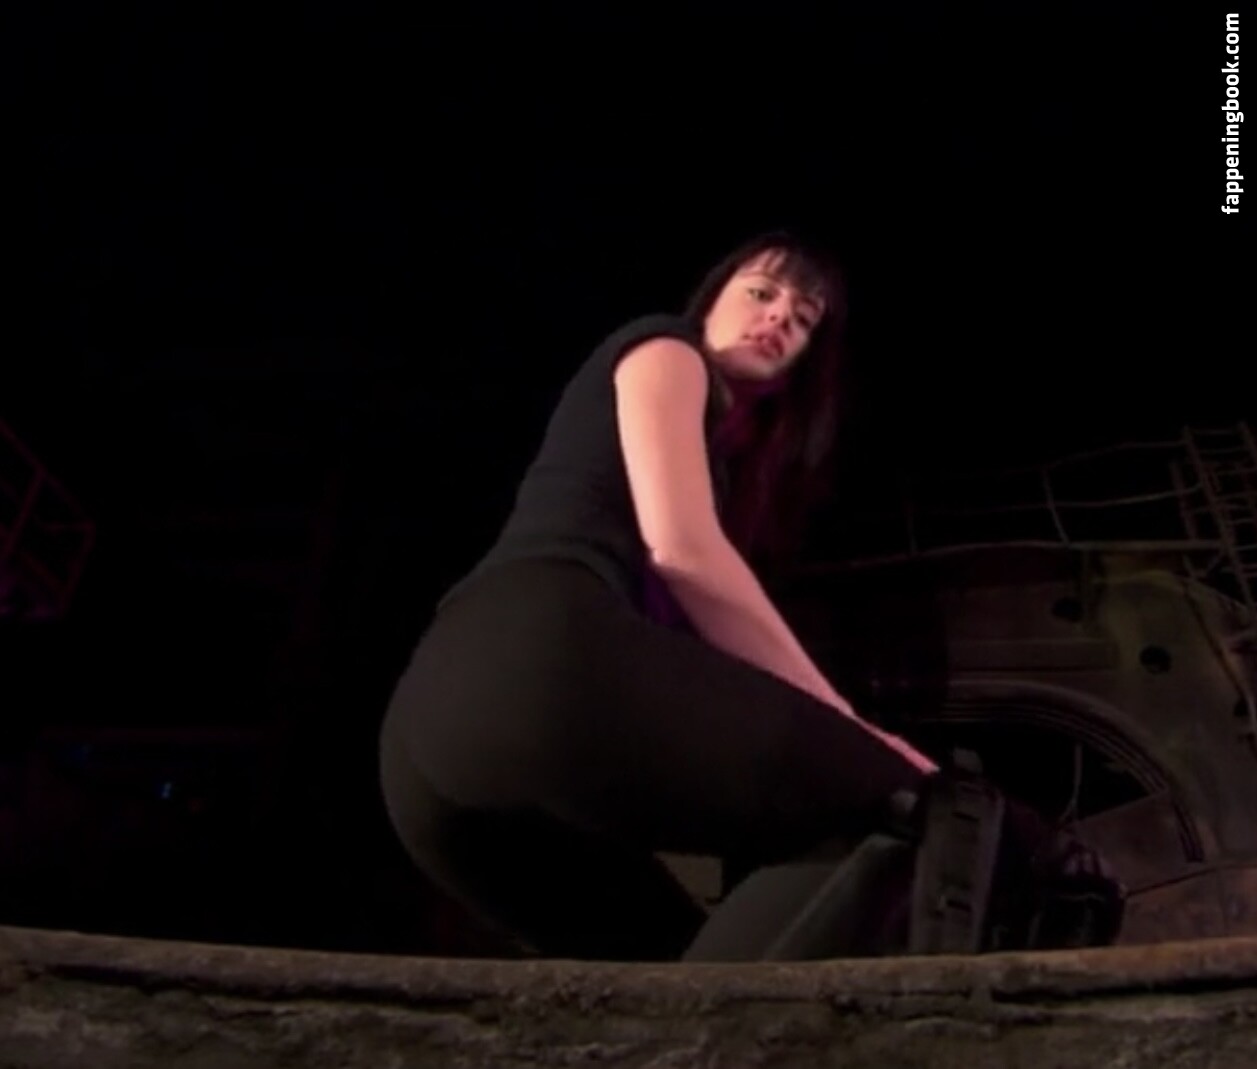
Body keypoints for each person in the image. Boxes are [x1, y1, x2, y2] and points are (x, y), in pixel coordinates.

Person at [377, 230, 1115, 961]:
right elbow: (685, 552)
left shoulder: (724, 472)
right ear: (711, 300)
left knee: (654, 968)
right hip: (529, 654)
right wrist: (847, 727)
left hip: (426, 748)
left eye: (802, 318)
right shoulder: (666, 349)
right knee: (902, 807)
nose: (778, 318)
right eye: (762, 292)